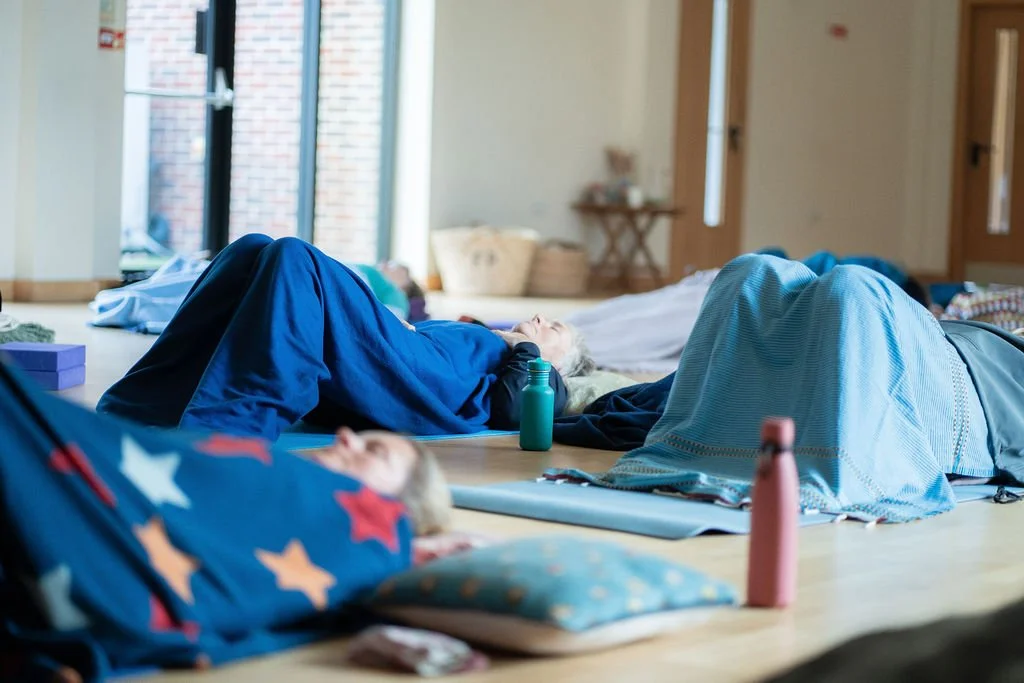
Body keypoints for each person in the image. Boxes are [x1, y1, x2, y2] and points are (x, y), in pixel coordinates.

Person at [0, 356, 457, 679]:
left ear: (398, 507)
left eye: (373, 451)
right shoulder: (269, 470)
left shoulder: (380, 535)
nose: (345, 437)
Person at [554, 253, 1024, 522]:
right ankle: (702, 449)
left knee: (852, 286)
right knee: (751, 271)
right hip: (952, 338)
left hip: (970, 369)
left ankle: (827, 465)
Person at [96, 234, 594, 441]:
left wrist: (530, 351)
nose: (540, 320)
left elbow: (512, 411)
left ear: (561, 360)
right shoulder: (490, 335)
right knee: (251, 249)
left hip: (421, 386)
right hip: (400, 356)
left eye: (556, 329)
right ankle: (142, 400)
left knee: (295, 256)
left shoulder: (545, 377)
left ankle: (229, 431)